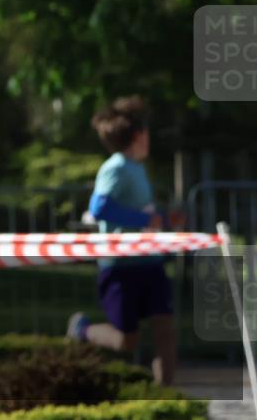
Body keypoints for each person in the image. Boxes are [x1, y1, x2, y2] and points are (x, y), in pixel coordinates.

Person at [66, 96, 183, 386]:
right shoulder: (115, 167)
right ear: (138, 135)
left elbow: (140, 213)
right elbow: (99, 207)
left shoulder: (137, 168)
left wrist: (164, 219)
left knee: (165, 330)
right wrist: (145, 220)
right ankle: (82, 331)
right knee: (126, 340)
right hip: (120, 266)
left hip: (150, 263)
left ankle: (165, 396)